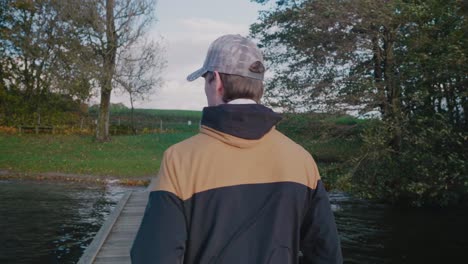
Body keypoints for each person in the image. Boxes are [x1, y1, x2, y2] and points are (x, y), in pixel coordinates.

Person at [131, 34, 342, 264]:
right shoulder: (302, 160)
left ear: (217, 81)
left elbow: (154, 257)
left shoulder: (179, 161)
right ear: (258, 86)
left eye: (205, 80)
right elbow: (326, 254)